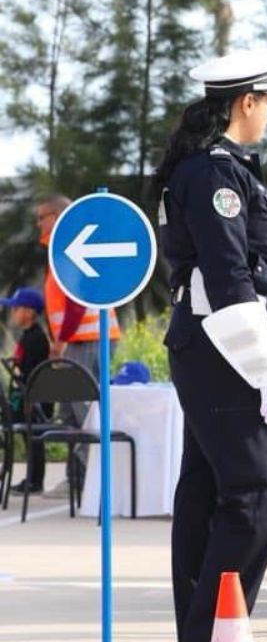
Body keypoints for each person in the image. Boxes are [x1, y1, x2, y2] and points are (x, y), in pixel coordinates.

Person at [156, 47, 267, 642]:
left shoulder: (215, 168)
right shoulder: (217, 174)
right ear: (246, 102)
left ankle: (202, 631)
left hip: (217, 350)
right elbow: (228, 277)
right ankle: (215, 632)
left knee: (210, 492)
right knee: (257, 496)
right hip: (230, 351)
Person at [35, 193, 121, 498]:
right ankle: (78, 481)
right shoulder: (68, 248)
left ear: (58, 216)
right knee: (74, 413)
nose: (38, 223)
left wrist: (60, 341)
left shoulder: (70, 249)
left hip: (86, 338)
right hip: (88, 337)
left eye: (43, 216)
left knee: (84, 411)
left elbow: (76, 301)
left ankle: (99, 481)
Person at [2, 288, 50, 493]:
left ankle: (34, 480)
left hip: (33, 399)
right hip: (22, 396)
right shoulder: (27, 336)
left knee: (33, 439)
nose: (12, 313)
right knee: (27, 438)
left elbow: (32, 372)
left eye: (16, 308)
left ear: (29, 313)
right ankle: (32, 479)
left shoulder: (35, 338)